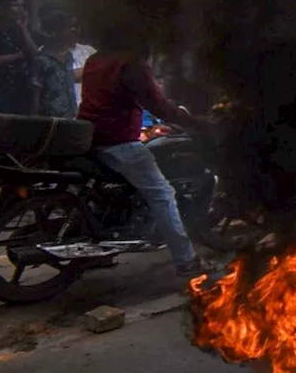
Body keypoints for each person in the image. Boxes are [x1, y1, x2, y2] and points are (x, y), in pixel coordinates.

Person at [77, 35, 209, 276]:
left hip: (90, 138)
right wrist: (192, 121)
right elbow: (157, 105)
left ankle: (97, 251)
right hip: (118, 142)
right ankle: (186, 260)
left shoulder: (96, 59)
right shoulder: (131, 64)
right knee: (164, 195)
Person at [32, 10, 80, 118]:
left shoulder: (68, 56)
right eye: (68, 28)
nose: (73, 31)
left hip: (70, 117)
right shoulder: (42, 59)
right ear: (56, 31)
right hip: (50, 120)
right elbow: (36, 95)